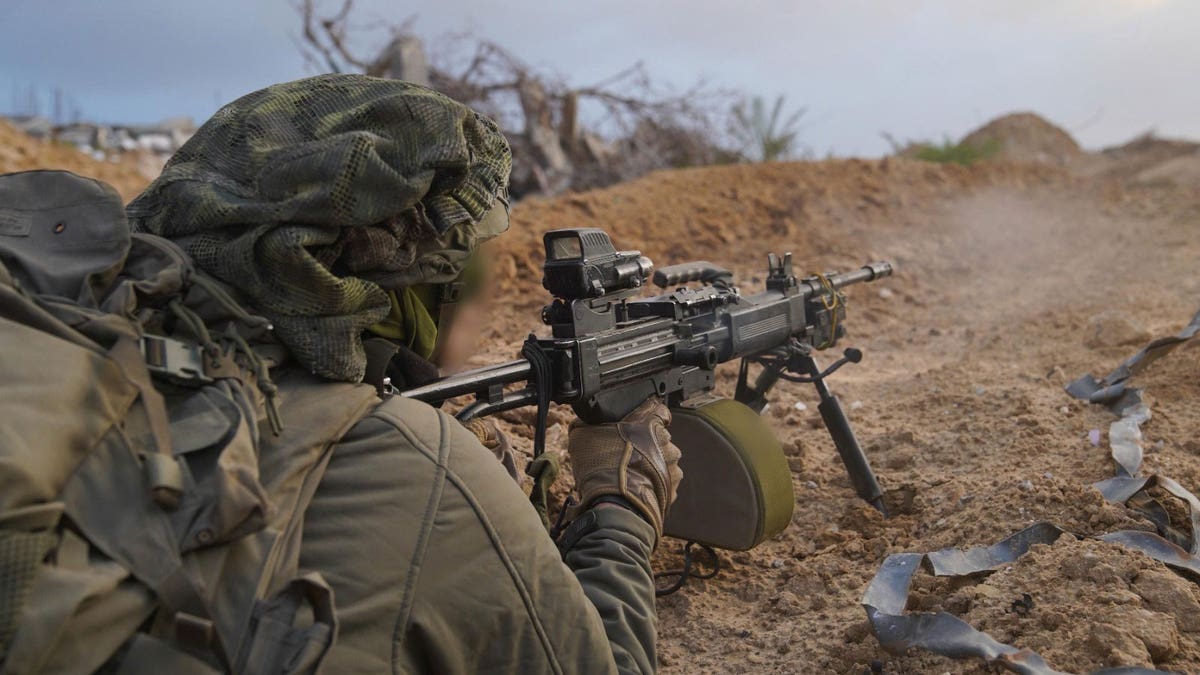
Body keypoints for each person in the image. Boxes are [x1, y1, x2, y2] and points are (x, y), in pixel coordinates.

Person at [127, 74, 683, 674]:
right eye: (460, 276)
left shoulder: (115, 345)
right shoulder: (418, 466)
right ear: (394, 284)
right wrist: (620, 509)